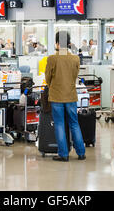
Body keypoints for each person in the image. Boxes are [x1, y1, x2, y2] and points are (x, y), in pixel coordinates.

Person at [45, 31, 86, 162]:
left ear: (57, 43)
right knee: (74, 124)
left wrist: (54, 85)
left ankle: (63, 154)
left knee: (59, 124)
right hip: (71, 95)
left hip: (56, 96)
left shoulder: (52, 58)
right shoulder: (75, 58)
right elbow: (75, 76)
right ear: (69, 43)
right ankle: (81, 153)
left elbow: (47, 77)